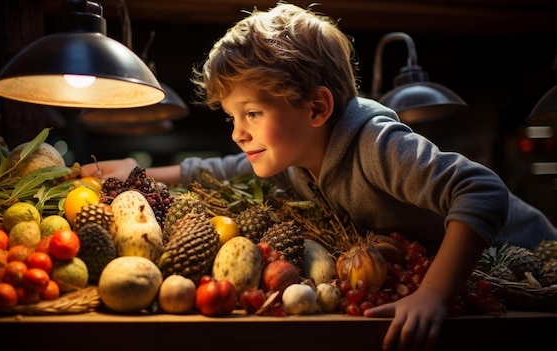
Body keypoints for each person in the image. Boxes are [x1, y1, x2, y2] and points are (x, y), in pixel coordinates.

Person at [81, 2, 557, 350]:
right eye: (231, 118)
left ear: (317, 107)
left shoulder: (376, 144)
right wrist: (137, 173)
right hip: (490, 282)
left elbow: (482, 189)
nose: (238, 134)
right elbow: (219, 170)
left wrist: (434, 293)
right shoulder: (298, 164)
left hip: (537, 265)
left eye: (251, 112)